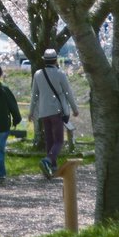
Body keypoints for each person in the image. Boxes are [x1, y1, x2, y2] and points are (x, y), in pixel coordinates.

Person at [29, 48, 79, 177]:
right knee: (59, 141)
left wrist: (30, 112)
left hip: (44, 112)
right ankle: (47, 160)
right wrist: (74, 109)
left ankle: (52, 166)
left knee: (49, 140)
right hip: (57, 111)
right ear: (56, 60)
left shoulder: (38, 74)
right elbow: (68, 93)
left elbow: (34, 95)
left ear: (44, 60)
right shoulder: (60, 74)